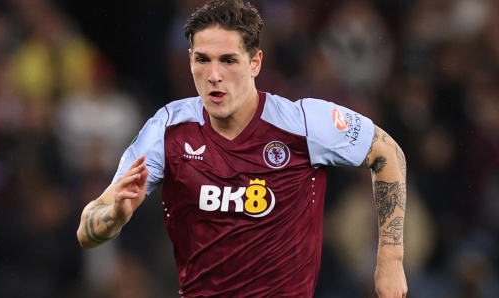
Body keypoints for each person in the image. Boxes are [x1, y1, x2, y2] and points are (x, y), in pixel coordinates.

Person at [76, 0, 408, 297]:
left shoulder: (304, 123)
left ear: (255, 63)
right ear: (190, 59)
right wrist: (116, 216)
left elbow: (387, 154)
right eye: (203, 60)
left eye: (229, 60)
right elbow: (87, 230)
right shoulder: (167, 129)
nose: (214, 75)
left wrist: (390, 260)